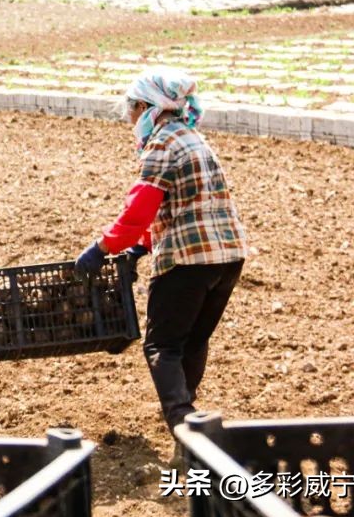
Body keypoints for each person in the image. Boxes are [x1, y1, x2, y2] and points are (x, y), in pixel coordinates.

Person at [74, 68, 247, 434]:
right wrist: (142, 248)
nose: (130, 117)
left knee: (162, 346)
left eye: (131, 109)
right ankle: (189, 410)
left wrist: (102, 247)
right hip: (229, 255)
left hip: (189, 259)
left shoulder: (161, 144)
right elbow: (184, 202)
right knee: (194, 339)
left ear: (145, 106)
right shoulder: (191, 137)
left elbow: (140, 210)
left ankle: (184, 425)